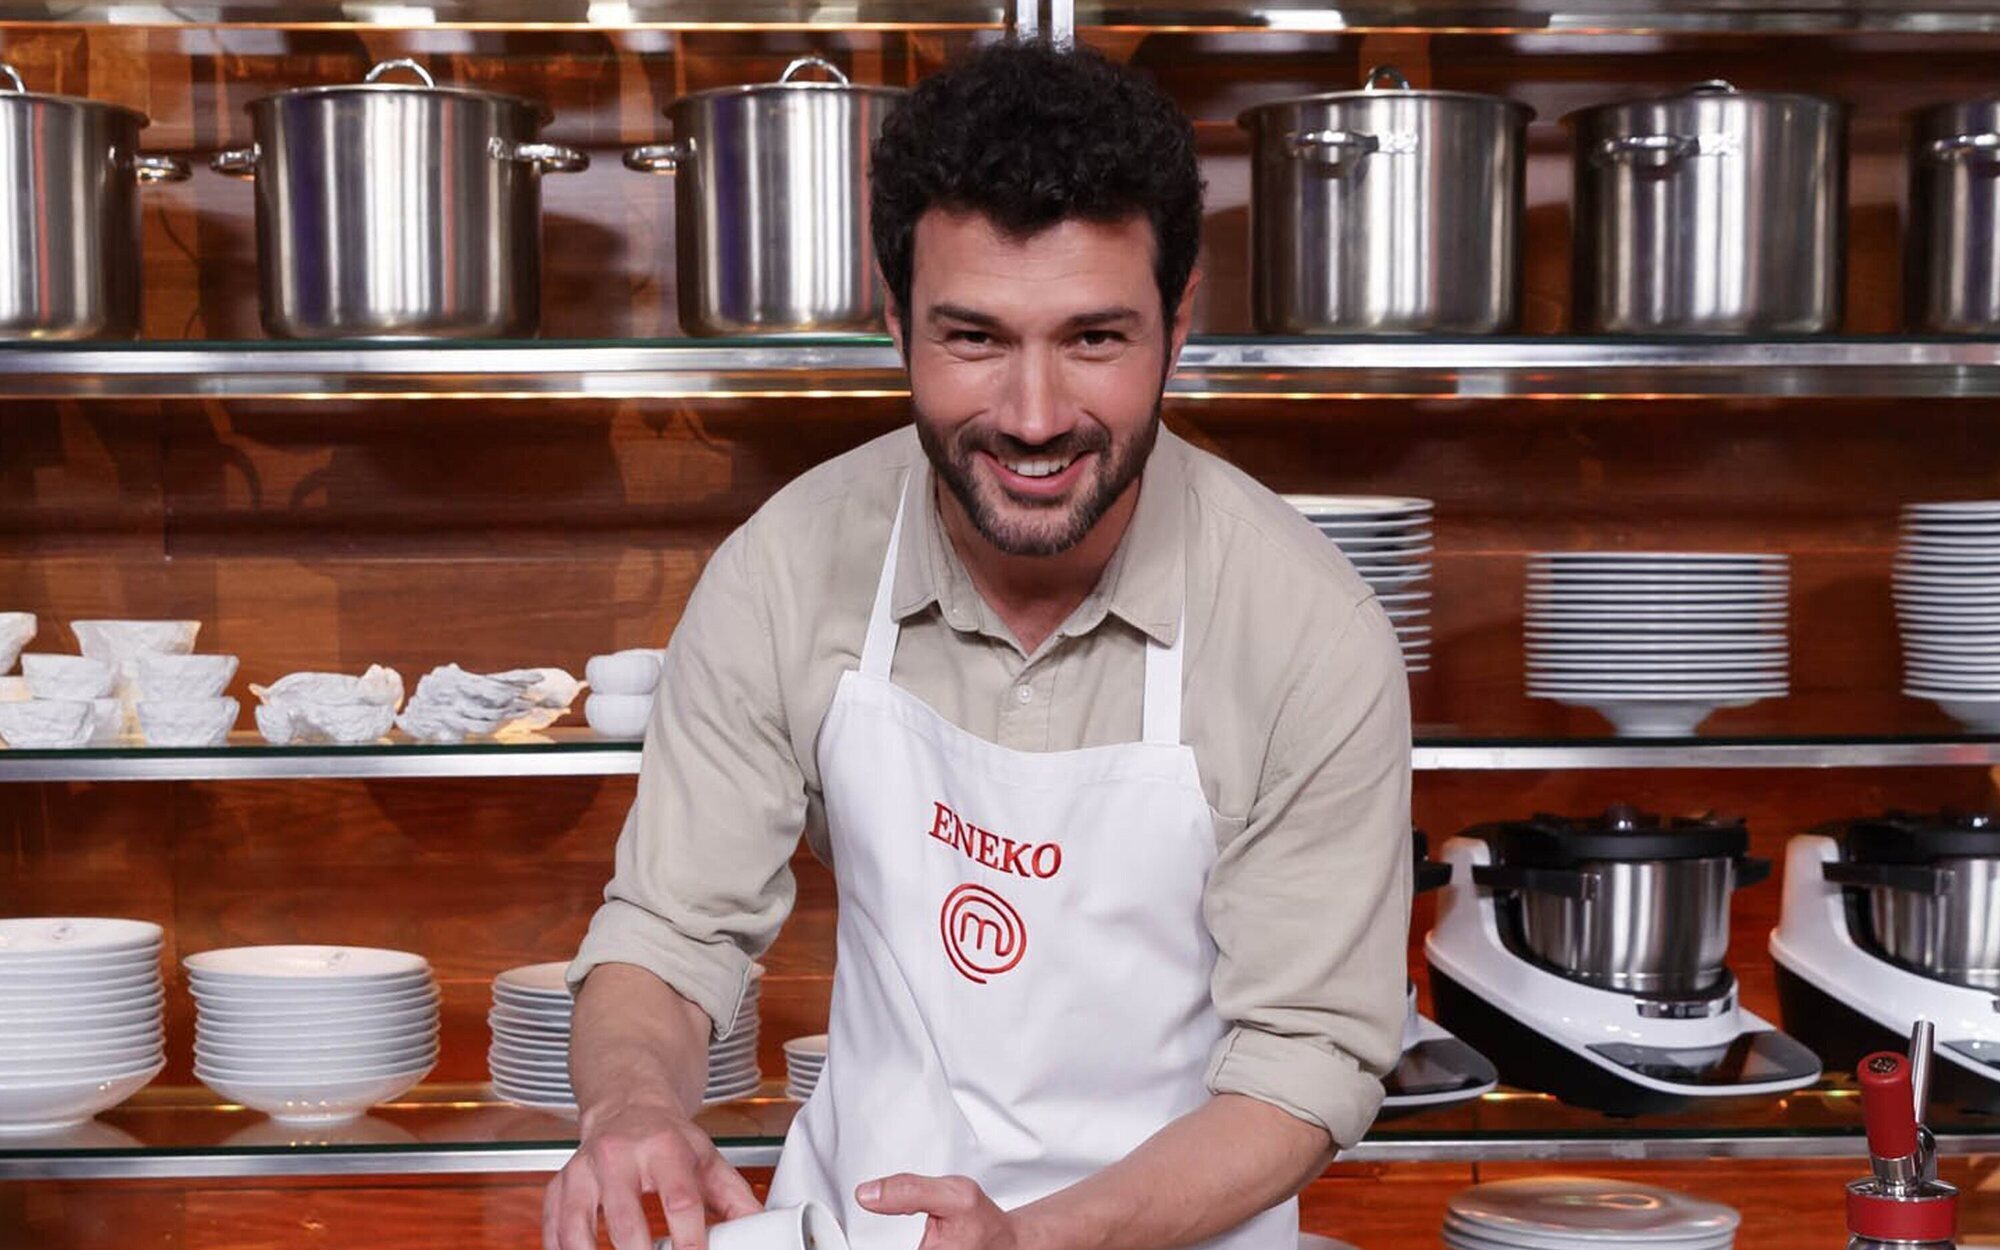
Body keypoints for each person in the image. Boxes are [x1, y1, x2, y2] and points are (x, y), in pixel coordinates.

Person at [545, 40, 1412, 1250]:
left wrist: (1037, 1236)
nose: (1034, 415)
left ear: (1177, 318)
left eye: (1094, 338)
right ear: (894, 315)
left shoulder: (1307, 630)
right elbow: (671, 929)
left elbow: (1307, 1056)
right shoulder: (790, 564)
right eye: (973, 338)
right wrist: (632, 1105)